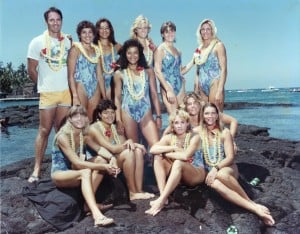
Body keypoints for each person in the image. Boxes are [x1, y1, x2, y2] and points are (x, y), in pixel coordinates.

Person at [198, 102, 275, 226]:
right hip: (209, 170)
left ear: (218, 115)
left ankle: (251, 202)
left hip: (227, 168)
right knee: (215, 184)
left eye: (213, 113)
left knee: (221, 175)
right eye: (207, 113)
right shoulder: (198, 132)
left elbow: (230, 157)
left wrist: (215, 169)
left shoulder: (224, 132)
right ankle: (254, 208)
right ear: (202, 115)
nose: (210, 116)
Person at [51, 105, 118, 227]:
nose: (79, 118)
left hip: (74, 170)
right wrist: (105, 168)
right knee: (86, 172)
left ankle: (87, 204)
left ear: (86, 118)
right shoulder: (62, 136)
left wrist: (111, 158)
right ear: (69, 119)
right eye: (75, 116)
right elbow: (77, 163)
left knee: (102, 160)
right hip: (60, 173)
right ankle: (97, 216)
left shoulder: (83, 134)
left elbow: (99, 149)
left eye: (82, 115)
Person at [27, 7, 72, 182]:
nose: (55, 23)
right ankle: (37, 169)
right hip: (47, 93)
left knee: (61, 131)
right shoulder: (37, 42)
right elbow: (31, 70)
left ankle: (61, 163)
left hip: (65, 93)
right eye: (52, 20)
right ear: (46, 22)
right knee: (44, 130)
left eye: (58, 19)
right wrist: (43, 86)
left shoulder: (68, 41)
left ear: (61, 20)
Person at [86, 99, 155, 200]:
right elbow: (112, 149)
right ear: (100, 115)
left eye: (112, 112)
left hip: (115, 161)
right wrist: (135, 144)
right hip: (102, 163)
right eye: (106, 113)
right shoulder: (94, 128)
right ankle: (132, 193)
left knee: (138, 151)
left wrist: (135, 145)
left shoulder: (115, 127)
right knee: (128, 152)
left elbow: (125, 144)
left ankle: (138, 190)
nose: (110, 115)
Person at [145, 109, 206, 216]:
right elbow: (153, 149)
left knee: (177, 162)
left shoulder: (194, 136)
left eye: (182, 122)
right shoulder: (170, 137)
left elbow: (185, 156)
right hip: (179, 172)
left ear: (187, 123)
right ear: (172, 125)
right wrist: (173, 147)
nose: (179, 126)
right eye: (176, 123)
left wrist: (167, 153)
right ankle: (164, 195)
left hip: (196, 171)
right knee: (158, 157)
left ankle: (161, 201)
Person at [114, 39, 161, 148]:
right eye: (129, 53)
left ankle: (155, 164)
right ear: (125, 54)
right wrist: (118, 120)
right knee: (135, 149)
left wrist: (158, 116)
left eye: (135, 52)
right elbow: (117, 98)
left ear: (140, 54)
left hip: (146, 113)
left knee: (156, 146)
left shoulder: (148, 71)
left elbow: (154, 94)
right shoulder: (119, 73)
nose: (132, 56)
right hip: (127, 113)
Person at [68, 20, 106, 121]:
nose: (87, 35)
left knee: (92, 120)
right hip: (81, 86)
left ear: (94, 35)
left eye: (90, 32)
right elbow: (70, 76)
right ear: (79, 35)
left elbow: (100, 76)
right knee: (81, 120)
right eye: (84, 32)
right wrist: (75, 96)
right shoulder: (75, 50)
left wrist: (105, 96)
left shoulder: (97, 50)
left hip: (95, 88)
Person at [154, 21, 193, 115]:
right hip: (168, 86)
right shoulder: (160, 49)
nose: (170, 34)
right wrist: (168, 90)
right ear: (162, 34)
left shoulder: (178, 51)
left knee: (183, 117)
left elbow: (180, 71)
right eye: (166, 32)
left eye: (172, 31)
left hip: (180, 87)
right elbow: (157, 71)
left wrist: (193, 61)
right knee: (174, 118)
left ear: (175, 32)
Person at [130, 15, 162, 130]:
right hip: (134, 90)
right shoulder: (131, 45)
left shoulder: (152, 47)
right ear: (135, 29)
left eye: (145, 27)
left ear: (148, 29)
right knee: (136, 126)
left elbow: (159, 66)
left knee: (148, 123)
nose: (143, 30)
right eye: (140, 27)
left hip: (150, 89)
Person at [193, 19, 227, 111]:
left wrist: (220, 90)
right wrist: (196, 88)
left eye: (208, 29)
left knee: (216, 116)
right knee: (204, 117)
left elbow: (224, 69)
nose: (205, 32)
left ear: (212, 31)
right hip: (201, 86)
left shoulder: (218, 45)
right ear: (200, 32)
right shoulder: (199, 49)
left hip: (214, 83)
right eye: (203, 29)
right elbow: (197, 70)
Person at [94, 18, 122, 100]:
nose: (104, 30)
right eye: (101, 28)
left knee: (113, 110)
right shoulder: (93, 47)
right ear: (97, 30)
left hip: (113, 85)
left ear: (110, 30)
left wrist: (119, 66)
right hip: (97, 85)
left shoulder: (117, 47)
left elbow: (131, 55)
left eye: (106, 28)